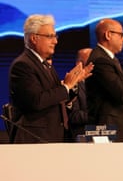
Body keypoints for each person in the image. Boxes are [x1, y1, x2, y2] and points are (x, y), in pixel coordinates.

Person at [8, 14, 91, 143]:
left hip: (51, 137)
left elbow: (54, 97)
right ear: (34, 38)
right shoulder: (23, 65)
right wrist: (66, 86)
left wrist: (73, 85)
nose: (55, 41)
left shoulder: (45, 64)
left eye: (55, 36)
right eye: (50, 36)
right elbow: (36, 101)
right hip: (34, 139)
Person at [67, 48, 93, 141]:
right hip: (81, 138)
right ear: (79, 64)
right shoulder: (72, 86)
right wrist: (98, 116)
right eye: (91, 59)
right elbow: (74, 116)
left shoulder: (102, 83)